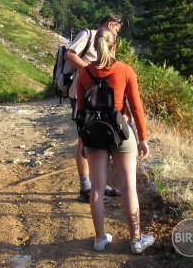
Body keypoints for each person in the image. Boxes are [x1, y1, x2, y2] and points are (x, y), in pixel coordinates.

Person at [76, 28, 154, 254]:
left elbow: (81, 111)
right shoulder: (125, 70)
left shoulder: (84, 73)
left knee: (97, 188)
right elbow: (136, 107)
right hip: (120, 133)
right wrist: (143, 138)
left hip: (93, 134)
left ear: (95, 48)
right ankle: (136, 240)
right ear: (114, 47)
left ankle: (100, 239)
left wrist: (82, 141)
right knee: (128, 187)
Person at [64, 14, 124, 203]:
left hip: (100, 97)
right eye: (116, 30)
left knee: (99, 139)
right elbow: (70, 54)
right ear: (110, 24)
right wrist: (90, 72)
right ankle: (86, 187)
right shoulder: (88, 35)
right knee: (85, 138)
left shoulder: (106, 41)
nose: (116, 34)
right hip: (82, 94)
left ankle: (98, 183)